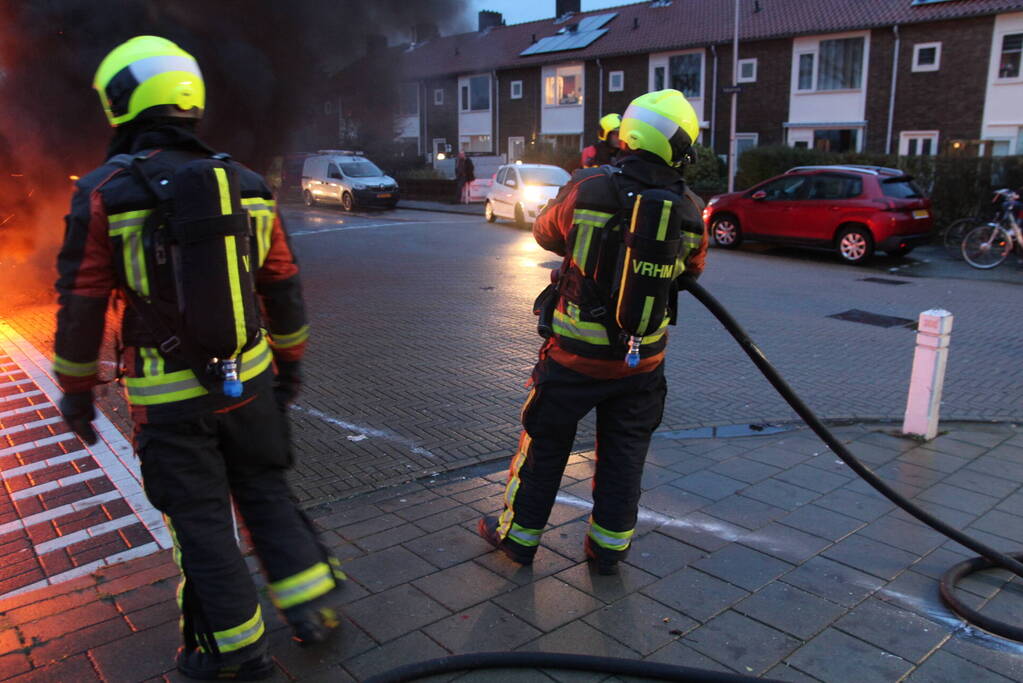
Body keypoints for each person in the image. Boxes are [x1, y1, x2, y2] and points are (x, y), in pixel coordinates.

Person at [54, 36, 344, 680]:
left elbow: (81, 301)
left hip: (169, 400)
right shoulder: (244, 183)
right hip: (252, 381)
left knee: (203, 520)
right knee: (266, 491)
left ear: (122, 101)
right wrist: (289, 364)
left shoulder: (104, 191)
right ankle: (315, 611)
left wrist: (76, 390)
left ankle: (236, 649)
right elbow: (283, 283)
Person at [478, 90, 708, 575]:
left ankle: (518, 540)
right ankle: (607, 551)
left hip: (572, 358)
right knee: (625, 458)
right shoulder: (689, 207)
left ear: (630, 132)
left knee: (544, 448)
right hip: (641, 362)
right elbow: (695, 268)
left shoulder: (587, 187)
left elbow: (545, 232)